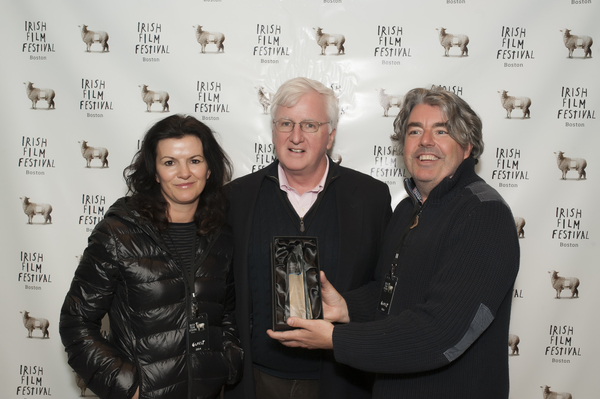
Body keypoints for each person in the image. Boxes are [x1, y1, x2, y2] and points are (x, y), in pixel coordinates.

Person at [268, 86, 520, 398]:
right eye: (415, 131)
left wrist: (336, 339)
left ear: (467, 146)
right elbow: (389, 292)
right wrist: (346, 307)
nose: (425, 141)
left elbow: (441, 331)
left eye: (441, 130)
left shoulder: (483, 214)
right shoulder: (407, 209)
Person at [224, 77, 392, 399]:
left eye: (310, 125)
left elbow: (387, 287)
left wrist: (347, 306)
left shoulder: (371, 197)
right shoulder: (237, 198)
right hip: (257, 380)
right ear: (273, 131)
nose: (295, 136)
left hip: (342, 380)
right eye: (286, 123)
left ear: (330, 136)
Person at [60, 115, 243, 399]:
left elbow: (226, 313)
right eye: (170, 162)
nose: (184, 173)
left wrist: (226, 363)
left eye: (195, 160)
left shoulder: (222, 235)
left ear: (209, 169)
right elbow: (76, 322)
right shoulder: (118, 233)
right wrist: (129, 388)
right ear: (155, 172)